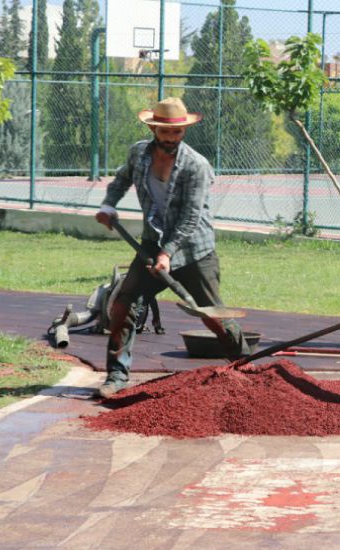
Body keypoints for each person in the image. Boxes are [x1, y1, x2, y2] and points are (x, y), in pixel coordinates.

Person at [94, 97, 249, 397]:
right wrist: (108, 205)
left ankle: (246, 365)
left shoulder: (196, 165)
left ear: (183, 132)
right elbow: (122, 180)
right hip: (152, 243)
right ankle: (116, 376)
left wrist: (168, 253)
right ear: (154, 128)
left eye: (176, 133)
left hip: (194, 250)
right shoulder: (139, 154)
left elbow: (191, 217)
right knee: (124, 304)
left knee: (211, 313)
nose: (170, 139)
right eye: (165, 132)